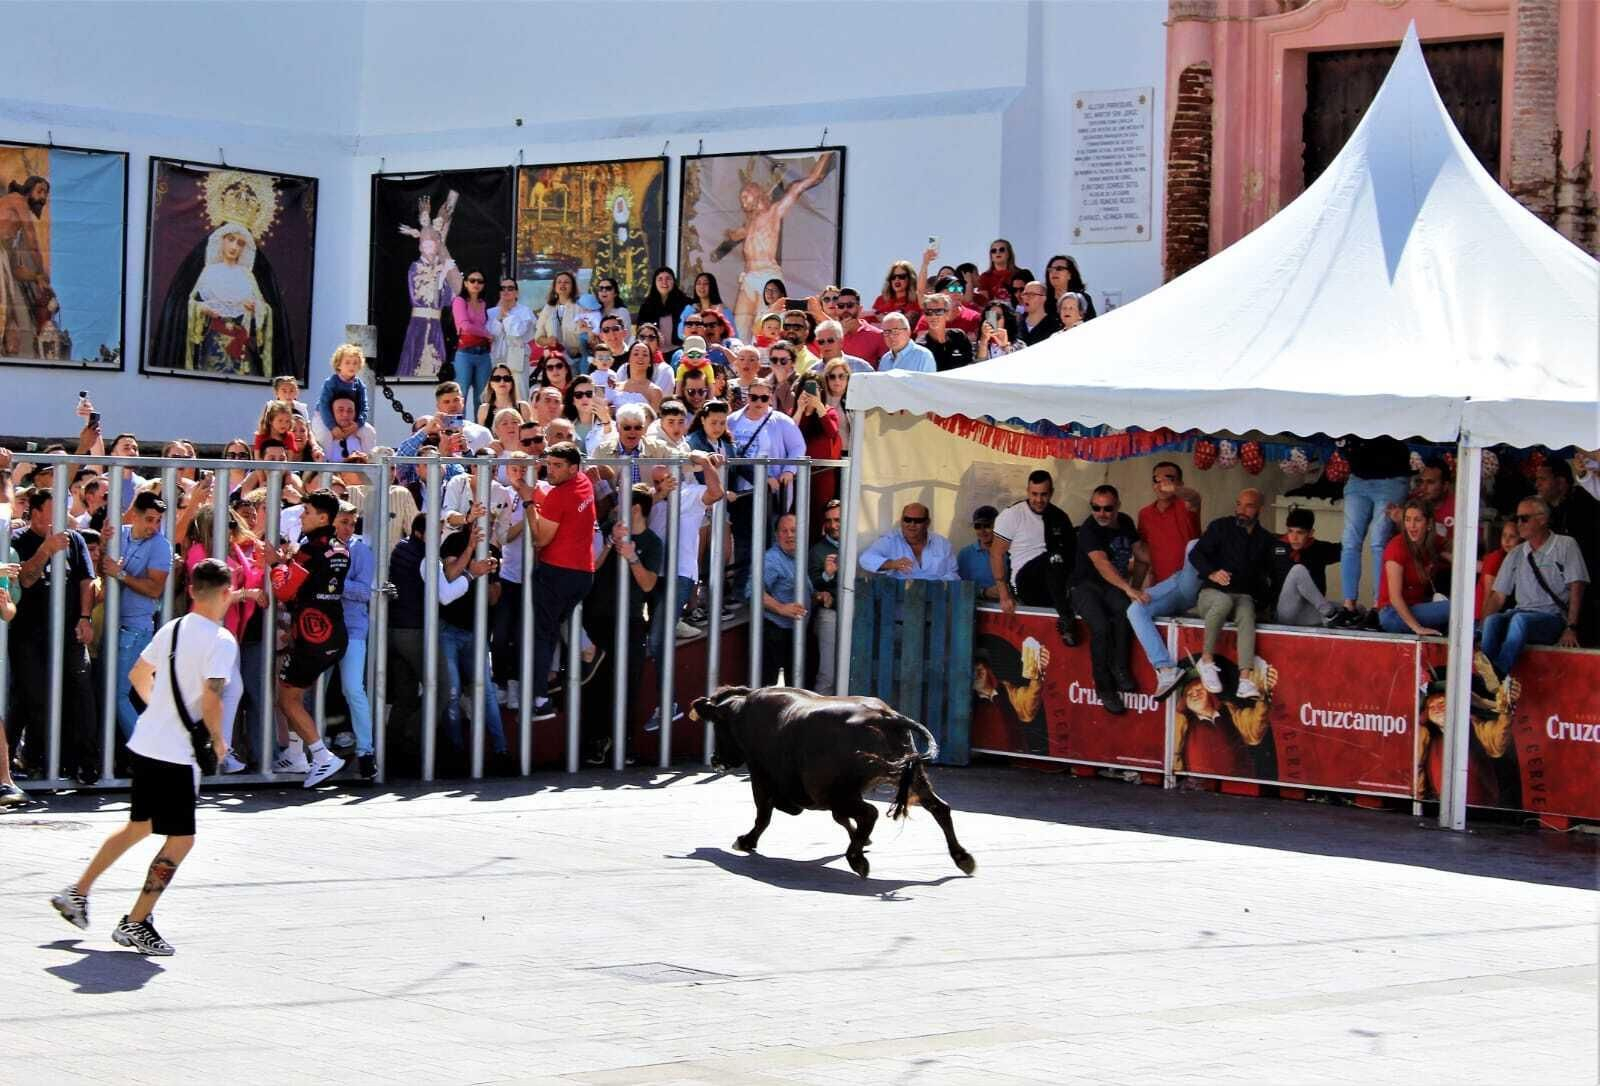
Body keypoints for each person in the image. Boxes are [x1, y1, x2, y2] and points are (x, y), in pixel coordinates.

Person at [50, 559, 236, 956]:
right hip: (176, 754)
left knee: (139, 826)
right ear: (224, 593)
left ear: (191, 590)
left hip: (148, 742)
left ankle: (78, 892)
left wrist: (162, 710)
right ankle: (136, 921)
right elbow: (211, 696)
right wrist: (217, 740)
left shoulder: (172, 628)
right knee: (181, 839)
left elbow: (138, 674)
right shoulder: (221, 640)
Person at [10, 487, 99, 783]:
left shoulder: (75, 539)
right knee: (35, 698)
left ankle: (85, 764)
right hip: (30, 633)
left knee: (81, 692)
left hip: (70, 628)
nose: (63, 515)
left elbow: (86, 581)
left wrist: (85, 618)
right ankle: (39, 762)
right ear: (35, 514)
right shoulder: (18, 540)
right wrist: (46, 550)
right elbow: (24, 578)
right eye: (53, 509)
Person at [266, 490, 349, 787]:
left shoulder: (310, 549)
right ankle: (296, 755)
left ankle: (322, 756)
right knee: (296, 694)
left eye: (307, 512)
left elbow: (284, 591)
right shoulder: (341, 547)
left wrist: (277, 565)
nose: (302, 516)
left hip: (312, 636)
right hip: (333, 634)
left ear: (323, 518)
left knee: (286, 699)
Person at [582, 483, 662, 764]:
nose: (615, 509)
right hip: (597, 619)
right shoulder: (606, 529)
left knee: (629, 685)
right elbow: (589, 566)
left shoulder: (652, 542)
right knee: (596, 685)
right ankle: (595, 742)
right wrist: (609, 543)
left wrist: (631, 556)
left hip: (630, 621)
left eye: (621, 504)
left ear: (636, 509)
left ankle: (623, 744)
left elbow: (649, 584)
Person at [715, 152, 834, 340]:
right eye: (741, 197)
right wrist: (729, 234)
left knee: (769, 322)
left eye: (745, 195)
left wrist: (825, 155)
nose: (742, 201)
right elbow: (734, 234)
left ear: (756, 192)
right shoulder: (749, 223)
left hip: (767, 276)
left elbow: (801, 185)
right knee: (740, 323)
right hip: (749, 277)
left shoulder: (774, 212)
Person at [525, 442, 598, 720]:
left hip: (557, 572)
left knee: (542, 635)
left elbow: (540, 539)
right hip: (583, 575)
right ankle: (586, 650)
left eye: (557, 466)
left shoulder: (558, 496)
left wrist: (530, 504)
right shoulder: (584, 483)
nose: (550, 470)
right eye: (549, 464)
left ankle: (540, 699)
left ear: (573, 467)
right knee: (556, 626)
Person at [1478, 497, 1588, 681]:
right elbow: (1497, 597)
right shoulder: (1515, 553)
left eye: (1524, 518)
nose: (1518, 523)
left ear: (1543, 519)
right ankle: (1484, 678)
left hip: (1552, 619)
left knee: (1519, 620)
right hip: (1520, 615)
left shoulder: (1565, 544)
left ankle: (1498, 673)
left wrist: (1571, 627)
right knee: (1492, 621)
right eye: (1517, 518)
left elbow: (1577, 587)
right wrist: (1481, 628)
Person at [1189, 489, 1274, 699]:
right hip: (1211, 594)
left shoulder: (1264, 539)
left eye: (1248, 506)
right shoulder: (1221, 527)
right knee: (1224, 600)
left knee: (1247, 611)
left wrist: (1265, 606)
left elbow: (1265, 577)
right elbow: (1195, 554)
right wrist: (1212, 572)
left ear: (1260, 509)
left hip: (1241, 596)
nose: (1241, 510)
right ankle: (1206, 660)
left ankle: (1245, 679)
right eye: (1239, 504)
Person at [1069, 486, 1144, 714]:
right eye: (1096, 508)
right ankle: (1104, 687)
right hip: (1083, 585)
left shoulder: (1126, 522)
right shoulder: (1089, 529)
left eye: (1107, 508)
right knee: (1100, 626)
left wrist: (1137, 587)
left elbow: (1142, 555)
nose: (1101, 513)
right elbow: (1102, 564)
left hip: (1110, 585)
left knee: (1126, 612)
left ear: (1118, 506)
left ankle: (1120, 669)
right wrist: (1127, 587)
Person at [105, 491, 174, 740]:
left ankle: (145, 752)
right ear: (134, 515)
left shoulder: (160, 545)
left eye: (158, 521)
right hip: (112, 625)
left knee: (118, 694)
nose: (154, 527)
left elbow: (155, 589)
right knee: (114, 692)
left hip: (135, 629)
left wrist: (120, 575)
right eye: (149, 519)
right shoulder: (119, 534)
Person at [992, 471, 1079, 645]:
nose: (1039, 500)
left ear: (1052, 493)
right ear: (1027, 491)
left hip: (1055, 584)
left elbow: (1072, 554)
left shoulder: (1060, 517)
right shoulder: (1012, 514)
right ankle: (1066, 617)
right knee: (1053, 557)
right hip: (1026, 581)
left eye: (1044, 494)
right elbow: (996, 554)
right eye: (1034, 494)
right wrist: (1004, 595)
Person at [1337, 436, 1412, 615]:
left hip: (1391, 476)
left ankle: (1379, 605)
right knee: (1349, 541)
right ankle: (1349, 605)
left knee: (1379, 541)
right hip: (1358, 477)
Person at [331, 502, 378, 781]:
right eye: (343, 522)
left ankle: (366, 752)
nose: (347, 528)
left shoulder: (360, 550)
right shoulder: (319, 546)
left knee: (353, 688)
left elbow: (364, 592)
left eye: (351, 522)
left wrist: (336, 584)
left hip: (352, 628)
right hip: (321, 628)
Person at [395, 191, 461, 378]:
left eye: (434, 246)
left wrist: (444, 275)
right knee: (416, 358)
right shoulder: (415, 268)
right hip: (419, 322)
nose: (431, 251)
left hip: (436, 322)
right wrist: (439, 276)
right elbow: (420, 295)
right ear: (421, 247)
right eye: (427, 246)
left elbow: (449, 296)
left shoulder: (440, 266)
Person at [1534, 457, 1599, 644]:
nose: (1537, 484)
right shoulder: (1550, 509)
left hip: (1587, 587)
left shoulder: (1584, 503)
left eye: (1543, 479)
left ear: (1561, 482)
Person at [1376, 500, 1450, 636]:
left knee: (1463, 604)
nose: (1412, 526)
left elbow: (1461, 558)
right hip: (1393, 614)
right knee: (1455, 608)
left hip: (1415, 608)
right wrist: (1418, 628)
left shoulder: (1431, 542)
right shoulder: (1396, 547)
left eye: (1417, 520)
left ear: (1428, 524)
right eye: (1408, 520)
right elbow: (1395, 598)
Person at [755, 513, 811, 687]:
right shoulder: (771, 559)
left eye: (793, 530)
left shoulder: (798, 556)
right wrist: (781, 608)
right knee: (771, 688)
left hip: (795, 630)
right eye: (784, 531)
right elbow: (753, 590)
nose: (789, 535)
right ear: (777, 535)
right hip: (776, 631)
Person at [1270, 507, 1346, 627]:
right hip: (1285, 612)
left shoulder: (1319, 548)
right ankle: (1329, 614)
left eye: (1300, 533)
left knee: (1356, 609)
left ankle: (1330, 616)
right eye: (1290, 531)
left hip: (1309, 612)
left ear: (1310, 533)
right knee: (1297, 570)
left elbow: (1349, 548)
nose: (1294, 538)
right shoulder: (1274, 545)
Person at [1136, 461, 1201, 585]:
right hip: (1158, 584)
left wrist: (1174, 489)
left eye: (1168, 479)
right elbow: (1142, 554)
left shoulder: (1186, 506)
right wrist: (1135, 588)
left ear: (1180, 484)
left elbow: (1194, 497)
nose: (1162, 485)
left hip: (1189, 583)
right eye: (1157, 480)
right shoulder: (1144, 513)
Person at [861, 502, 959, 581]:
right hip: (899, 601)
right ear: (901, 521)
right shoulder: (890, 540)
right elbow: (865, 559)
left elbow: (953, 574)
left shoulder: (942, 544)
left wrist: (935, 586)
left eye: (918, 520)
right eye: (907, 520)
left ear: (927, 523)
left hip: (935, 600)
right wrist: (892, 564)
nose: (912, 524)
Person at [809, 500, 843, 692]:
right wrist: (827, 574)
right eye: (829, 521)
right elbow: (810, 585)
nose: (833, 525)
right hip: (830, 615)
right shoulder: (818, 550)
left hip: (857, 613)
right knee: (828, 674)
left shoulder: (858, 542)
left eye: (837, 520)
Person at [313, 344, 370, 451]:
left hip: (349, 420)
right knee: (325, 435)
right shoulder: (331, 383)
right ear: (339, 365)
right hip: (325, 418)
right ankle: (324, 464)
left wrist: (357, 424)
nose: (351, 366)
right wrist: (332, 427)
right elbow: (324, 406)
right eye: (347, 362)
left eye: (355, 363)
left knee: (368, 432)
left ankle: (368, 462)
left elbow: (364, 408)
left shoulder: (360, 386)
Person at [487, 275, 535, 383]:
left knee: (519, 391)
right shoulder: (491, 312)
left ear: (517, 293)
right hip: (496, 356)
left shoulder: (525, 311)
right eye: (502, 288)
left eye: (510, 288)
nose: (506, 291)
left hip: (518, 355)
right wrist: (499, 318)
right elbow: (490, 334)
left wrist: (505, 315)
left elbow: (518, 332)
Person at [635, 267, 694, 349]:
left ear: (674, 281)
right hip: (654, 351)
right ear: (655, 283)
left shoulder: (685, 303)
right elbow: (640, 329)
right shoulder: (647, 305)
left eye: (668, 278)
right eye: (660, 279)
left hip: (680, 350)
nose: (664, 282)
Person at [535, 270, 587, 362]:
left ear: (573, 287)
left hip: (578, 359)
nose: (562, 285)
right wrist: (548, 341)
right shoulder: (548, 308)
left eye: (566, 282)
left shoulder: (581, 307)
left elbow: (589, 335)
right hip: (555, 360)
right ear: (555, 287)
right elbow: (538, 338)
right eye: (559, 282)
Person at [958, 505, 1004, 601]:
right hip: (974, 610)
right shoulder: (965, 554)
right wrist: (984, 592)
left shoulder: (1010, 553)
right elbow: (959, 589)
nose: (982, 531)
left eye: (987, 526)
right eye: (978, 526)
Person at [918, 293, 974, 372]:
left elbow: (972, 364)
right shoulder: (921, 346)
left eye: (939, 311)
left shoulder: (959, 336)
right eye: (929, 312)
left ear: (947, 313)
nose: (933, 316)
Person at [836, 289, 886, 365]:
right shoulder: (828, 335)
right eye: (841, 306)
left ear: (860, 309)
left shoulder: (878, 335)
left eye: (850, 305)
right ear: (836, 309)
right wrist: (841, 334)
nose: (845, 309)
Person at [678, 272, 733, 341]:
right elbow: (680, 334)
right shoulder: (690, 309)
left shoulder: (723, 310)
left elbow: (732, 336)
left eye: (705, 283)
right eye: (698, 283)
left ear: (712, 286)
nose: (701, 286)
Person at [1043, 254, 1097, 320]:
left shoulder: (1082, 299)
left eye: (1059, 269)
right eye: (1051, 270)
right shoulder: (1043, 299)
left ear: (1070, 275)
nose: (1054, 272)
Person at [871, 260, 922, 325]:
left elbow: (903, 324)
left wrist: (880, 316)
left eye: (901, 276)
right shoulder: (881, 299)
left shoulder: (917, 300)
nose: (896, 280)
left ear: (910, 279)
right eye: (893, 277)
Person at [1015, 281, 1061, 347]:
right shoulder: (1017, 325)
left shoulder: (1054, 326)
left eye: (1032, 294)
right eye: (1025, 294)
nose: (1026, 298)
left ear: (1043, 298)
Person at [977, 239, 1017, 305]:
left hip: (1017, 312)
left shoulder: (1020, 274)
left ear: (1009, 254)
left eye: (1002, 250)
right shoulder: (985, 277)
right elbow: (983, 303)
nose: (997, 253)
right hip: (993, 313)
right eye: (994, 251)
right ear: (991, 257)